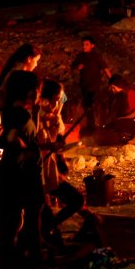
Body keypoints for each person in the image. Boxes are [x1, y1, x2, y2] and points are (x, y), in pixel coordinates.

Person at [0, 71, 54, 269]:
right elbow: (10, 139)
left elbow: (2, 146)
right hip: (23, 176)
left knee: (8, 225)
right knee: (30, 222)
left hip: (5, 175)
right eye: (37, 89)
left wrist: (41, 147)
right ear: (29, 90)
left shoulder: (9, 111)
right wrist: (25, 151)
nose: (39, 93)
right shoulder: (19, 114)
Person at [35, 80, 94, 251]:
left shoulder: (54, 117)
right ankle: (46, 234)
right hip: (36, 172)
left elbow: (57, 142)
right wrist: (47, 146)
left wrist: (60, 155)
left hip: (50, 171)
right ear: (43, 98)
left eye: (58, 100)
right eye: (53, 99)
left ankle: (48, 229)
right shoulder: (33, 116)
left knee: (76, 199)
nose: (56, 103)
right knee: (43, 210)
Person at [94, 75, 135, 146]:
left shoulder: (130, 93)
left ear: (120, 86)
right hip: (128, 120)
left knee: (119, 126)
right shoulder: (116, 97)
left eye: (113, 87)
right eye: (110, 87)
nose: (111, 90)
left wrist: (123, 119)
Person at [71, 36, 111, 131]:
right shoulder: (80, 56)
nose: (84, 46)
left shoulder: (96, 56)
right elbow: (73, 66)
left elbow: (105, 68)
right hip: (84, 85)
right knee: (86, 105)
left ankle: (93, 127)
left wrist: (112, 80)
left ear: (92, 46)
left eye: (87, 45)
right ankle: (90, 126)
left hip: (94, 85)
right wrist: (77, 67)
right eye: (83, 44)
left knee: (91, 105)